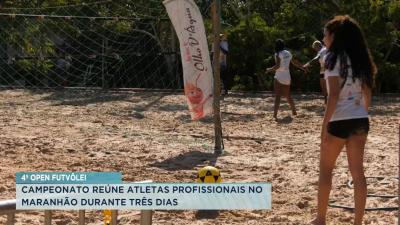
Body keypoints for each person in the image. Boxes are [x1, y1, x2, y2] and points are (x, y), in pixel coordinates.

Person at [311, 15, 376, 225]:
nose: (324, 37)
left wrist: (324, 127)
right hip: (359, 119)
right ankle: (358, 222)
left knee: (326, 171)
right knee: (358, 173)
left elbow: (334, 96)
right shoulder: (361, 58)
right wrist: (362, 113)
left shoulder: (332, 58)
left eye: (326, 34)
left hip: (339, 120)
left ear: (334, 35)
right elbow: (367, 93)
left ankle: (321, 219)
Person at [265, 39, 307, 120]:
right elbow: (294, 62)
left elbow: (277, 66)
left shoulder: (277, 54)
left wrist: (269, 69)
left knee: (278, 96)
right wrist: (302, 67)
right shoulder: (288, 53)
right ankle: (294, 111)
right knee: (288, 95)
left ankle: (275, 115)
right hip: (287, 76)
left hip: (279, 76)